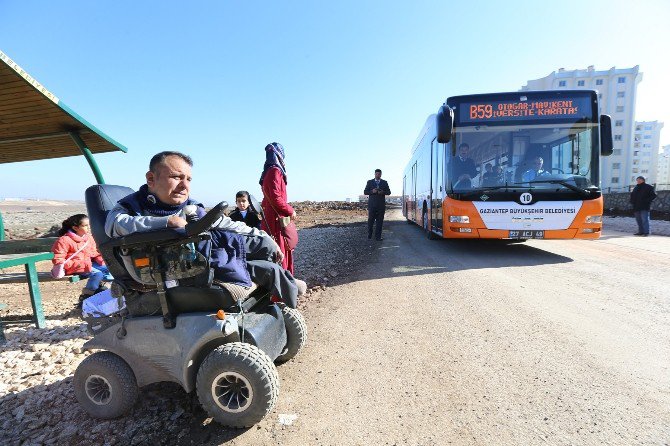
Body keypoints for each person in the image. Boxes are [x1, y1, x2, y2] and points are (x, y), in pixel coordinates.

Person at [105, 151, 305, 307]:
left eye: (188, 179)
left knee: (264, 246)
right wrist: (166, 222)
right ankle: (283, 283)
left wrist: (263, 235)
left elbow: (225, 223)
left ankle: (281, 283)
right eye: (176, 177)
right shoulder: (132, 205)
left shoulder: (189, 206)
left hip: (196, 255)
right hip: (171, 267)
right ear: (151, 179)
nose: (184, 186)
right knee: (264, 269)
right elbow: (113, 226)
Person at [52, 214, 113, 297]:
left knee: (112, 267)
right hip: (73, 266)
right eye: (85, 226)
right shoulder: (64, 240)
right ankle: (88, 294)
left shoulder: (88, 238)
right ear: (75, 228)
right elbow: (58, 257)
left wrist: (101, 260)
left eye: (89, 225)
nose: (89, 227)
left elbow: (94, 252)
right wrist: (71, 264)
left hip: (87, 264)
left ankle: (103, 287)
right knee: (97, 274)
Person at [259, 142, 297, 274]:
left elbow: (265, 200)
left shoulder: (267, 172)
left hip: (270, 218)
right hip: (276, 221)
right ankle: (282, 292)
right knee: (280, 253)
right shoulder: (275, 171)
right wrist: (290, 210)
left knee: (274, 253)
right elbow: (276, 198)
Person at [364, 169, 391, 241]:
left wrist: (382, 192)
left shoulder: (384, 182)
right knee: (370, 221)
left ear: (381, 174)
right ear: (374, 174)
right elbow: (365, 192)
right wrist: (372, 191)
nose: (378, 175)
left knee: (380, 222)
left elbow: (389, 192)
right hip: (372, 205)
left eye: (379, 174)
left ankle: (378, 237)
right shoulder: (369, 182)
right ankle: (369, 234)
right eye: (377, 174)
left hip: (381, 206)